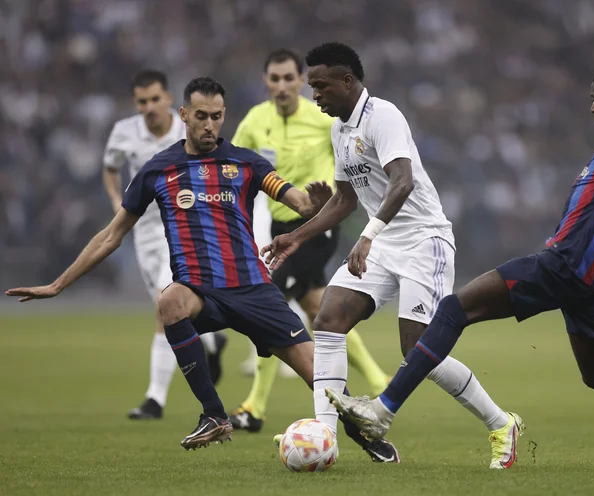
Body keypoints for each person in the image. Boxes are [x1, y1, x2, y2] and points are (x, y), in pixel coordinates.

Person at [323, 63, 594, 473]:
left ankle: (382, 411)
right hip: (591, 274)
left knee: (453, 310)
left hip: (566, 262)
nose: (592, 108)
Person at [7, 76, 400, 462]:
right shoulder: (157, 170)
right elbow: (111, 236)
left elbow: (295, 201)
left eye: (216, 116)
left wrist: (312, 205)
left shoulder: (244, 162)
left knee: (320, 375)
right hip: (200, 292)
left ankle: (365, 436)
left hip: (254, 290)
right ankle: (214, 414)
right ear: (184, 115)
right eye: (201, 116)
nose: (210, 124)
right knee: (169, 303)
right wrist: (59, 285)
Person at [262, 42, 520, 470]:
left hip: (424, 241)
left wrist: (366, 237)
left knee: (418, 349)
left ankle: (501, 424)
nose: (316, 96)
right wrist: (298, 237)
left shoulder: (383, 116)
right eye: (313, 88)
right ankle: (325, 437)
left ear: (348, 82)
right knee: (329, 318)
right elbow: (344, 199)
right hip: (381, 242)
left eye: (321, 86)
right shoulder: (339, 129)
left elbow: (402, 183)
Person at [229, 49, 390, 433]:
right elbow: (233, 168)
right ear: (265, 81)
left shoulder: (321, 119)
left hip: (318, 225)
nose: (282, 86)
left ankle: (255, 406)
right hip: (280, 229)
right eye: (275, 79)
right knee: (321, 309)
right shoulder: (255, 121)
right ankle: (379, 379)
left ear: (300, 81)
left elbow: (359, 152)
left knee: (267, 304)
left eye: (289, 78)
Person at [102, 69, 226, 420]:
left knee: (163, 306)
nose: (150, 107)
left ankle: (154, 399)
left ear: (170, 100)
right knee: (175, 312)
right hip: (144, 231)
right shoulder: (124, 133)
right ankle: (213, 341)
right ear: (135, 103)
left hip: (182, 227)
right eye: (142, 101)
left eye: (156, 99)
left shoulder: (190, 129)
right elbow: (110, 167)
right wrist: (115, 197)